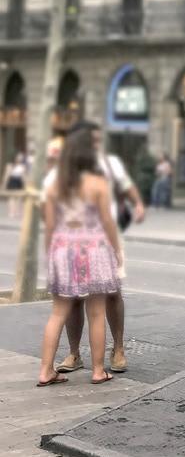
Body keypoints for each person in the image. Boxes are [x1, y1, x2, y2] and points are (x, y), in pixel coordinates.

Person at [46, 120, 145, 376]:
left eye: (98, 138)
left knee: (111, 295)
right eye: (92, 139)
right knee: (77, 301)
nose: (96, 143)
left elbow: (126, 187)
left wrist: (137, 204)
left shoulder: (110, 164)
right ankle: (78, 356)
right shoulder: (63, 171)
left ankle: (118, 348)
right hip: (84, 243)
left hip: (100, 240)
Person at [37, 127, 122, 386]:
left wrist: (50, 253)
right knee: (96, 312)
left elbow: (49, 225)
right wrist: (116, 250)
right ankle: (98, 371)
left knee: (57, 313)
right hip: (94, 248)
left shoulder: (55, 185)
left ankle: (46, 371)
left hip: (62, 249)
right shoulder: (98, 184)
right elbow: (107, 221)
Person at [4, 150, 28, 219]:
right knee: (12, 197)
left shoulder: (23, 166)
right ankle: (11, 212)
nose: (20, 158)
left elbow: (23, 176)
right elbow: (7, 175)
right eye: (19, 157)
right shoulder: (10, 165)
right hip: (12, 181)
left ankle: (17, 211)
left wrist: (25, 184)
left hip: (19, 181)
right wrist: (5, 183)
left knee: (19, 197)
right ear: (15, 157)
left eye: (21, 157)